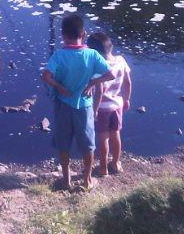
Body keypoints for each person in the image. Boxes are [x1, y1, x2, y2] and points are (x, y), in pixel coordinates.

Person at [42, 15, 114, 192]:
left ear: (63, 35)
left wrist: (59, 86)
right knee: (87, 144)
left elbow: (46, 76)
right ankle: (87, 180)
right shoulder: (92, 54)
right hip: (84, 105)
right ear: (83, 34)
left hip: (63, 105)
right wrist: (92, 83)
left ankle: (66, 180)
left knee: (63, 142)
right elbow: (110, 75)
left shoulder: (59, 55)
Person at [87, 31, 132, 176]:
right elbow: (128, 82)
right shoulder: (120, 60)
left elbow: (99, 92)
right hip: (117, 105)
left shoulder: (98, 67)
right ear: (110, 46)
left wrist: (94, 110)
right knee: (116, 134)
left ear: (94, 52)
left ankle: (103, 168)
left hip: (102, 109)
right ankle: (116, 162)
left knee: (103, 138)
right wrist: (126, 99)